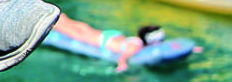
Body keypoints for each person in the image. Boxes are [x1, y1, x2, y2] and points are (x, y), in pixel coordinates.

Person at [48, 17, 182, 72]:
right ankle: (54, 24)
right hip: (102, 41)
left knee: (83, 27)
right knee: (75, 33)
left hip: (113, 35)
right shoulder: (136, 47)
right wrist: (122, 65)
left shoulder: (137, 41)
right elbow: (124, 57)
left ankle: (63, 18)